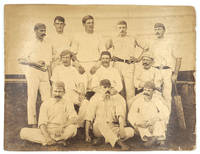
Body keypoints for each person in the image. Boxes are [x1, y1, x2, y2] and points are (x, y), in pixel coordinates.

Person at [20, 81, 78, 146]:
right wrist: (47, 137)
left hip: (61, 130)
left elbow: (74, 118)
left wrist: (62, 126)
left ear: (64, 92)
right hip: (47, 130)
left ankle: (50, 141)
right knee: (23, 132)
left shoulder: (68, 103)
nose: (57, 94)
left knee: (73, 128)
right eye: (55, 91)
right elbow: (42, 124)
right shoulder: (45, 104)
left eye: (60, 92)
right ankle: (57, 141)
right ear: (51, 92)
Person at [106, 20, 148, 104]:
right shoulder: (113, 38)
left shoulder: (132, 38)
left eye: (123, 27)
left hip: (129, 65)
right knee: (117, 88)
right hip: (117, 64)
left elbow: (146, 47)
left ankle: (130, 114)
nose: (122, 29)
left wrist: (138, 59)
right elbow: (104, 49)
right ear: (116, 29)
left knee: (130, 91)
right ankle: (119, 113)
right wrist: (110, 57)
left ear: (126, 28)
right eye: (120, 28)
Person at [85, 79, 134, 150]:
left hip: (112, 127)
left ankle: (103, 140)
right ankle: (119, 143)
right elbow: (88, 117)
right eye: (104, 87)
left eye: (109, 87)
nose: (107, 89)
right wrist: (87, 135)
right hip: (99, 128)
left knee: (130, 131)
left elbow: (120, 115)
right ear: (100, 88)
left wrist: (121, 128)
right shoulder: (95, 99)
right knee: (101, 123)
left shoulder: (115, 99)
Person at [18, 23, 52, 128]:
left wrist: (50, 77)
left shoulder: (47, 44)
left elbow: (49, 62)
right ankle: (33, 123)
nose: (43, 33)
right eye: (41, 30)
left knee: (47, 99)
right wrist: (34, 63)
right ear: (35, 31)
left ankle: (45, 123)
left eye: (44, 30)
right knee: (32, 98)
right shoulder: (29, 44)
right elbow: (20, 59)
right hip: (33, 72)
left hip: (44, 72)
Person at [149, 23, 182, 115]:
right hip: (155, 70)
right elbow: (150, 58)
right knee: (155, 94)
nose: (157, 31)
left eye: (159, 29)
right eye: (155, 29)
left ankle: (166, 119)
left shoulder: (170, 42)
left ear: (164, 30)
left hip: (167, 71)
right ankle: (157, 117)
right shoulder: (153, 43)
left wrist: (175, 74)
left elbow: (179, 58)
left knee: (167, 95)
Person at [51, 50, 86, 127]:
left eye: (67, 57)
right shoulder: (57, 69)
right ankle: (66, 125)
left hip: (73, 93)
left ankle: (79, 125)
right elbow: (53, 84)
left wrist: (81, 94)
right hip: (61, 93)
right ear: (61, 59)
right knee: (67, 102)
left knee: (85, 103)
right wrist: (53, 96)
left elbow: (80, 83)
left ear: (71, 58)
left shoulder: (74, 70)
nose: (65, 59)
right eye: (63, 57)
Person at [128, 81, 169, 147]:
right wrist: (137, 123)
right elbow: (131, 114)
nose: (146, 92)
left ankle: (156, 140)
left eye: (149, 90)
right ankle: (153, 139)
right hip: (144, 123)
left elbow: (165, 112)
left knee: (160, 122)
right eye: (145, 90)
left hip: (154, 121)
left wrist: (154, 120)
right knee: (140, 122)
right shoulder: (138, 100)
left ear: (153, 92)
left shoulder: (156, 100)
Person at [72, 15, 106, 90]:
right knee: (82, 88)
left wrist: (96, 66)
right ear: (83, 24)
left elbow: (103, 53)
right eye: (88, 23)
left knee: (95, 88)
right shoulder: (77, 36)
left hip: (95, 65)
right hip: (82, 65)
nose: (91, 24)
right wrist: (78, 66)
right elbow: (73, 54)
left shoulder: (98, 36)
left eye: (92, 23)